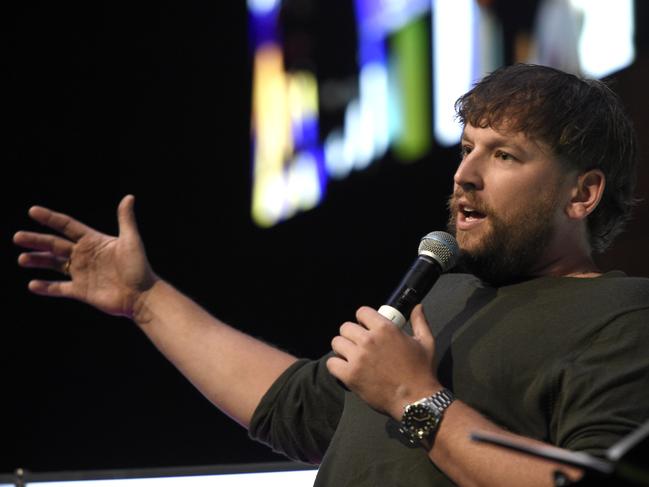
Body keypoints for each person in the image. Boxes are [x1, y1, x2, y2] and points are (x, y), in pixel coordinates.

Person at [14, 64, 649, 486]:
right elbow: (295, 408)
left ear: (582, 194)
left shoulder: (624, 317)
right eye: (467, 149)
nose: (465, 175)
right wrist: (145, 299)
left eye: (504, 155)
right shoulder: (447, 293)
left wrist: (412, 397)